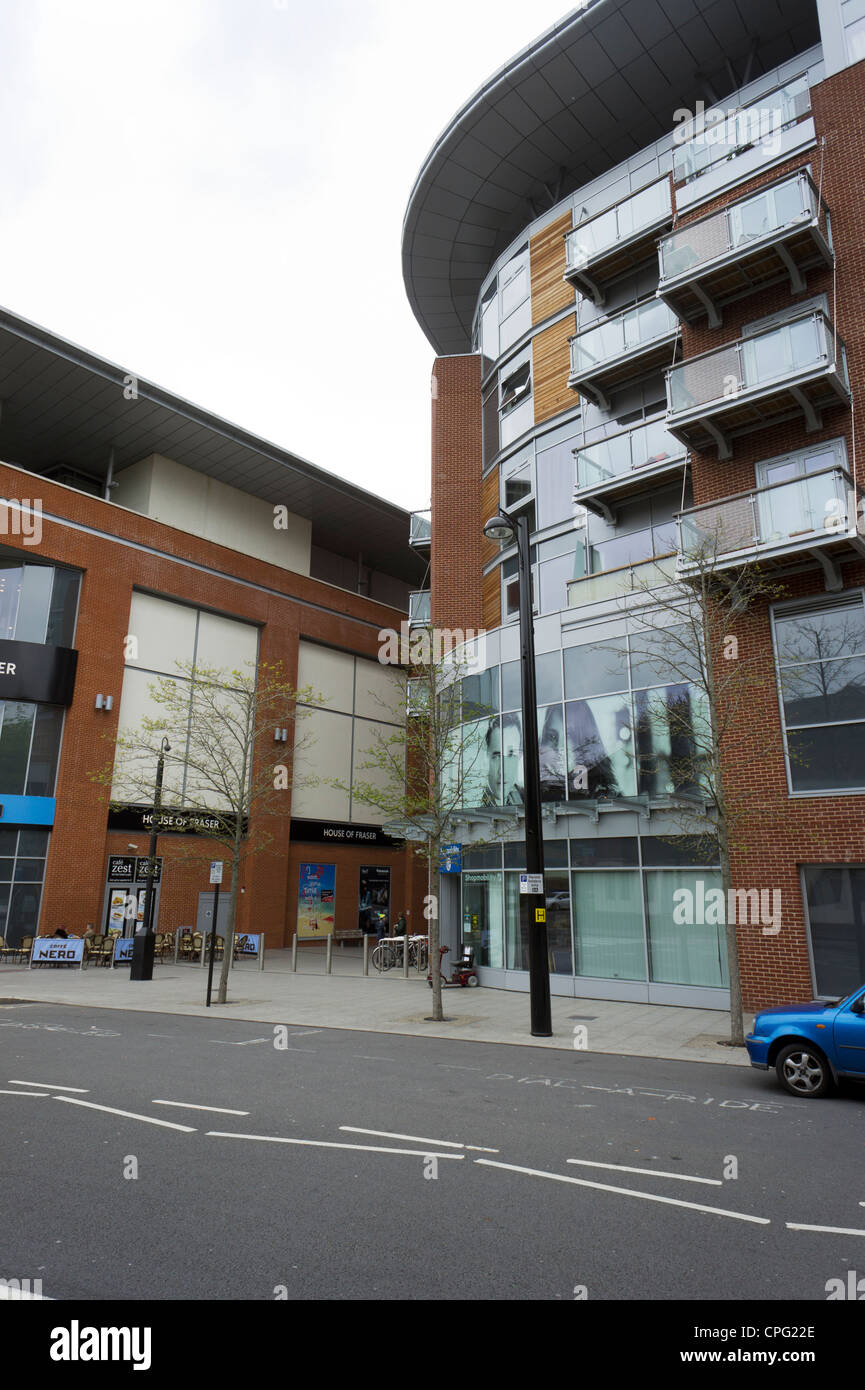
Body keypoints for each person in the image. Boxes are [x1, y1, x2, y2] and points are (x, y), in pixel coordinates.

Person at [482, 714, 524, 806]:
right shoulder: (474, 801)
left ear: (519, 758)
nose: (502, 772)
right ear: (486, 758)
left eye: (511, 755)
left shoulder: (523, 797)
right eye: (497, 756)